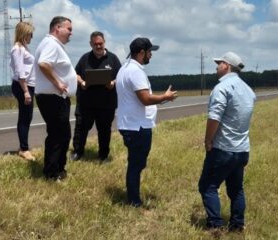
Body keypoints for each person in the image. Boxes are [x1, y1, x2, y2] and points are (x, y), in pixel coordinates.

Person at [116, 37, 178, 207]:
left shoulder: (124, 68)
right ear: (141, 52)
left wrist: (162, 99)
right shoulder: (136, 72)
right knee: (136, 164)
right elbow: (145, 99)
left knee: (136, 163)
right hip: (137, 126)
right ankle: (134, 201)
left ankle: (132, 196)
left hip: (130, 123)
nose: (151, 55)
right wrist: (165, 97)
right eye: (150, 52)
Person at [198, 51, 256, 232]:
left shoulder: (222, 88)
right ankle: (237, 225)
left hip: (223, 148)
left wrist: (208, 140)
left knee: (207, 186)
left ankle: (215, 225)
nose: (216, 66)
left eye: (219, 63)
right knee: (236, 189)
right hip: (242, 149)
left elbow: (214, 117)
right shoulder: (248, 90)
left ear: (226, 66)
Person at [34, 16, 77, 181]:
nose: (71, 33)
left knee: (62, 134)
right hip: (53, 98)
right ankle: (52, 173)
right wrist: (58, 83)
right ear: (57, 28)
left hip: (55, 97)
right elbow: (44, 63)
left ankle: (58, 169)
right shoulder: (51, 44)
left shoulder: (52, 44)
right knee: (58, 135)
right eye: (69, 29)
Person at [70, 31, 121, 162]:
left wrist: (113, 83)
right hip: (86, 103)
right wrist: (81, 82)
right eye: (95, 44)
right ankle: (77, 152)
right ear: (90, 44)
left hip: (106, 103)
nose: (98, 46)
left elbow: (121, 77)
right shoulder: (84, 58)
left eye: (100, 43)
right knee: (81, 129)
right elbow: (75, 74)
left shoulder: (113, 59)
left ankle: (103, 155)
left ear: (104, 42)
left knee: (104, 130)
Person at [10, 21, 36, 161]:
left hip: (27, 85)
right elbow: (20, 72)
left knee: (26, 117)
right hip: (22, 86)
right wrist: (25, 91)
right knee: (25, 118)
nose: (32, 36)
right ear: (24, 33)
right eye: (30, 33)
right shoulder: (18, 49)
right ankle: (24, 149)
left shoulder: (24, 48)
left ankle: (24, 147)